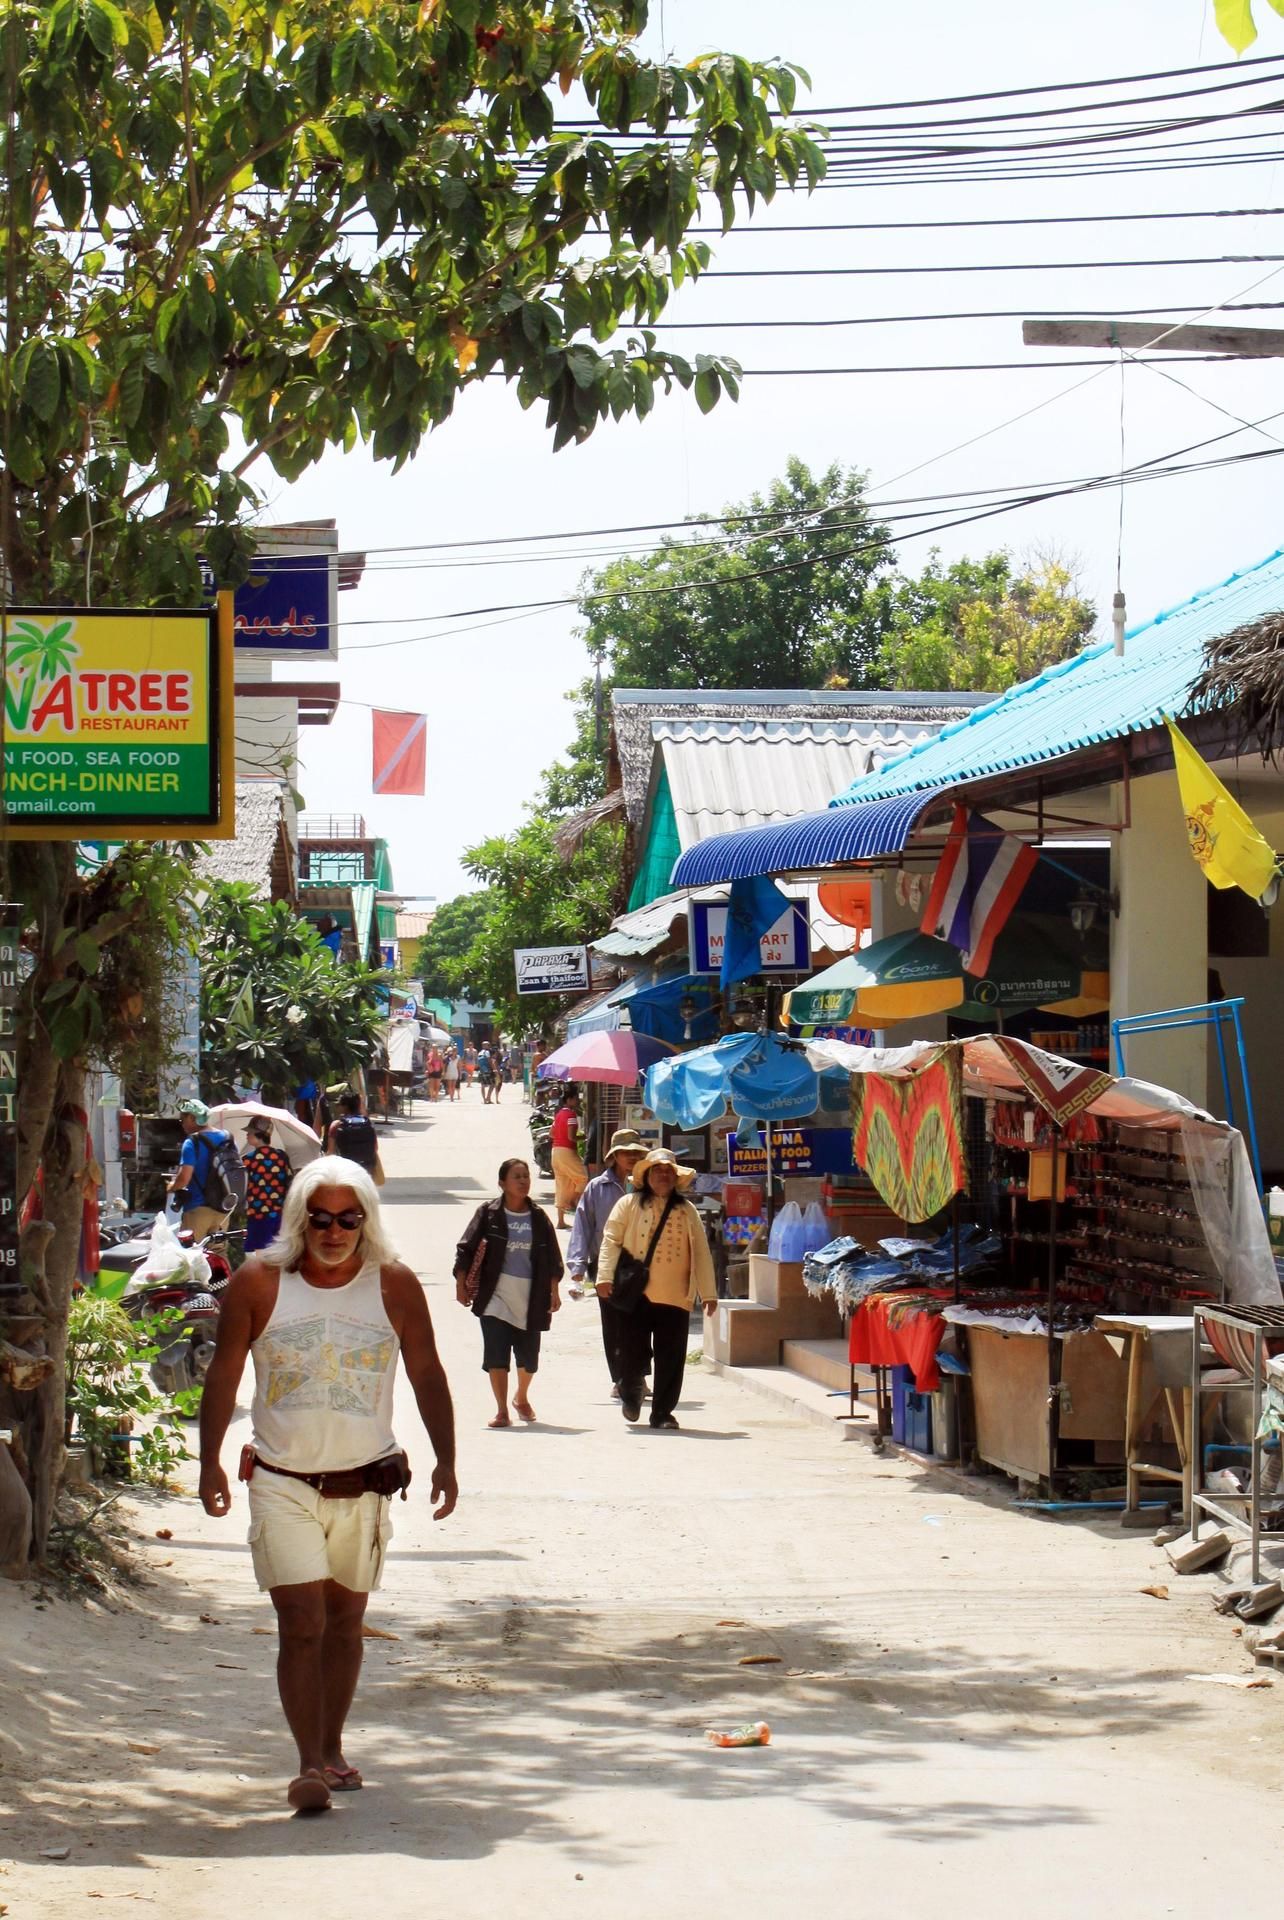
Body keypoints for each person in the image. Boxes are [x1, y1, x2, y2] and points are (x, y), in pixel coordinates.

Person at [198, 1155, 458, 1813]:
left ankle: (333, 1748)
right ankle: (309, 1764)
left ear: (365, 1221)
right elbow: (223, 1376)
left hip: (366, 1483)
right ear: (300, 1220)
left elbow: (427, 1374)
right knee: (301, 1620)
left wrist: (446, 1460)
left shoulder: (394, 1285)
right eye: (321, 1219)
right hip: (282, 1480)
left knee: (346, 1622)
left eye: (348, 1219)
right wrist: (209, 1462)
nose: (334, 1231)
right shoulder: (259, 1283)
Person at [596, 1147, 717, 1431]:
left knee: (671, 1357)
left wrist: (708, 1292)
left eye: (668, 1172)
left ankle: (663, 1413)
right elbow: (611, 1240)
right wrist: (604, 1276)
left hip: (676, 1296)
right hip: (635, 1293)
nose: (663, 1176)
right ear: (647, 1175)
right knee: (629, 1350)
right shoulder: (627, 1204)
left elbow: (700, 1252)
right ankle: (631, 1390)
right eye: (658, 1170)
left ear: (676, 1178)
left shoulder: (687, 1211)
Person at [454, 1158, 563, 1429]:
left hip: (530, 1296)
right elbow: (465, 1248)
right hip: (495, 1295)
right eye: (517, 1176)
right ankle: (502, 1410)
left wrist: (554, 1290)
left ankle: (521, 1396)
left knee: (529, 1360)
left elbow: (552, 1256)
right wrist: (460, 1283)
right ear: (502, 1183)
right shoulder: (488, 1213)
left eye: (526, 1176)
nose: (524, 1181)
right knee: (496, 1354)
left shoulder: (538, 1217)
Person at [567, 1129, 646, 1398]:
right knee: (613, 1326)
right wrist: (577, 1267)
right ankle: (621, 1378)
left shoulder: (647, 1186)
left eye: (636, 1152)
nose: (632, 1157)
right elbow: (583, 1226)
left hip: (641, 1267)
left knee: (640, 1324)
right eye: (627, 1152)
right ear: (614, 1156)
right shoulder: (596, 1188)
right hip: (606, 1267)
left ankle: (638, 1377)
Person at [167, 1099, 235, 1241]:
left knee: (189, 1257)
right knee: (217, 1256)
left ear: (192, 1118)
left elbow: (184, 1178)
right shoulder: (227, 1137)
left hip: (198, 1209)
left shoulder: (192, 1142)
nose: (182, 1124)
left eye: (182, 1119)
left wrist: (172, 1187)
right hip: (222, 1210)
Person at [242, 1119, 293, 1256]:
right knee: (277, 1250)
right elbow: (289, 1181)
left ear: (259, 1135)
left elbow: (243, 1186)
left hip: (258, 1212)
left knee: (260, 1253)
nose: (247, 1136)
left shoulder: (248, 1159)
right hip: (279, 1212)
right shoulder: (281, 1156)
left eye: (250, 1133)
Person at [550, 1087, 586, 1230]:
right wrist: (584, 1137)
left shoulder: (558, 1115)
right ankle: (572, 1201)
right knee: (583, 1177)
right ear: (569, 1100)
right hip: (567, 1151)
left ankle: (561, 1220)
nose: (578, 1101)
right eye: (576, 1098)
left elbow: (551, 1134)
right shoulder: (571, 1115)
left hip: (555, 1151)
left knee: (561, 1185)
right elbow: (572, 1137)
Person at [327, 1093, 382, 1181]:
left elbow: (330, 1152)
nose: (337, 1107)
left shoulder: (337, 1125)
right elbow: (375, 1148)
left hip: (345, 1169)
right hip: (366, 1168)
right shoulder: (367, 1123)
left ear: (345, 1107)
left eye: (339, 1104)